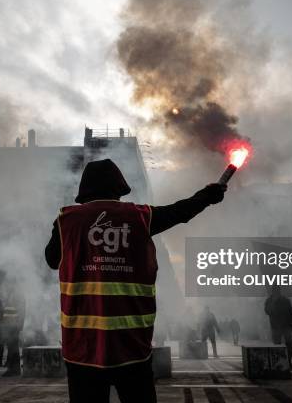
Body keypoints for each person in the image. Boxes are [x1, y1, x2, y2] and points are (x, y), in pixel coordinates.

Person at [45, 158, 227, 403]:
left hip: (82, 348)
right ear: (119, 188)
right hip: (131, 346)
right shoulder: (140, 217)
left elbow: (50, 260)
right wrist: (208, 195)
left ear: (84, 190)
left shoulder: (66, 220)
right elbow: (180, 211)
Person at [264, 285, 292, 368]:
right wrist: (273, 302)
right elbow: (268, 311)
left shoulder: (285, 300)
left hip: (286, 325)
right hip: (276, 326)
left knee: (288, 344)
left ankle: (288, 361)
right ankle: (278, 361)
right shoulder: (269, 300)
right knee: (277, 345)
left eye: (277, 290)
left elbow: (291, 312)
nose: (276, 291)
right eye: (275, 290)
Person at [0, 279, 26, 377]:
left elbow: (22, 312)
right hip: (9, 325)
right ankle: (14, 369)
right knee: (11, 347)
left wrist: (19, 326)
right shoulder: (11, 294)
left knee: (13, 347)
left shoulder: (17, 295)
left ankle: (14, 369)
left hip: (13, 326)